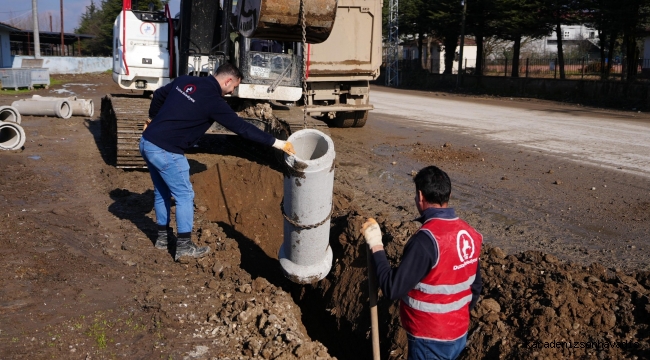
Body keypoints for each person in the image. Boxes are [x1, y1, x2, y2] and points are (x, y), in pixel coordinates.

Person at [140, 63, 295, 261]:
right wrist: (278, 143)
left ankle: (162, 239)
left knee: (162, 191)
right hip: (166, 151)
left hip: (147, 142)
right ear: (228, 80)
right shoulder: (214, 102)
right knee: (184, 195)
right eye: (234, 87)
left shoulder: (185, 80)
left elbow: (159, 94)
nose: (232, 92)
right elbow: (242, 128)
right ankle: (184, 246)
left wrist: (153, 118)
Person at [362, 165, 483, 360]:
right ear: (449, 195)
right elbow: (475, 286)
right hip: (459, 334)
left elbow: (392, 289)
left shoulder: (426, 240)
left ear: (420, 196)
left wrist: (376, 245)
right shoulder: (471, 234)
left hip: (429, 337)